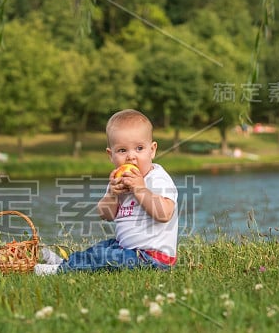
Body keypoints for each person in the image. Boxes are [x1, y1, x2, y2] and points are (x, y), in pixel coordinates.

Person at [35, 109, 178, 274]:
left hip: (152, 258)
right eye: (122, 150)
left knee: (107, 257)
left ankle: (59, 270)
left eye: (139, 148)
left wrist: (140, 189)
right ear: (111, 155)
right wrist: (112, 194)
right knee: (102, 248)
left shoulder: (157, 178)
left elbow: (165, 214)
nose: (131, 157)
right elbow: (105, 214)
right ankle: (66, 262)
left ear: (152, 150)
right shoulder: (118, 181)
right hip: (126, 248)